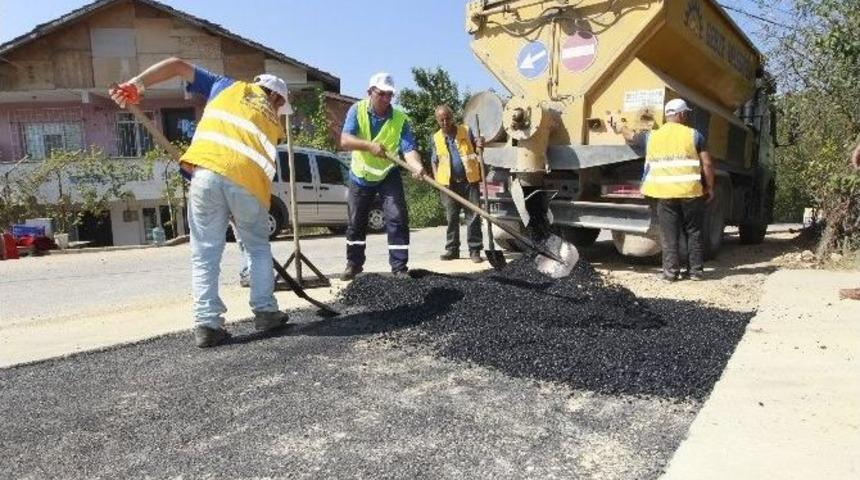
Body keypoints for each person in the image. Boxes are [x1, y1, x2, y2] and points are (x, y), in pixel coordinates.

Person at [109, 57, 291, 347]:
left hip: (205, 173)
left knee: (205, 253)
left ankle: (207, 324)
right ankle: (266, 311)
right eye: (281, 104)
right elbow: (247, 160)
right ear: (276, 97)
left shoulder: (226, 87)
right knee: (257, 249)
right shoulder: (273, 124)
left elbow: (177, 64)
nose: (279, 109)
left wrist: (136, 85)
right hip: (248, 187)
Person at [607, 98, 715, 281]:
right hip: (690, 193)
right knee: (693, 232)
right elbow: (707, 163)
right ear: (681, 115)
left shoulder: (652, 136)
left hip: (663, 193)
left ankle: (671, 273)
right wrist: (710, 187)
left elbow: (630, 137)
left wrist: (618, 125)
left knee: (669, 234)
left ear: (667, 115)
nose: (686, 116)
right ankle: (696, 272)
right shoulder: (694, 135)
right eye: (686, 113)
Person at [339, 72, 425, 281]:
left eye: (390, 95)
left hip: (388, 174)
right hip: (361, 175)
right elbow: (345, 140)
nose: (386, 99)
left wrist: (417, 166)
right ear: (370, 92)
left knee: (397, 217)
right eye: (382, 94)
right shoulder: (356, 110)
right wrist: (369, 146)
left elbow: (408, 149)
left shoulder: (400, 119)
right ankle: (354, 264)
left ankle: (399, 267)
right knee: (356, 221)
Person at [431, 105, 485, 263]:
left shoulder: (466, 131)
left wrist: (481, 143)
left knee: (473, 216)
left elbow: (478, 147)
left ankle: (475, 250)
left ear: (452, 117)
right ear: (438, 121)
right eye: (442, 120)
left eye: (448, 118)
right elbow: (434, 160)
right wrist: (436, 180)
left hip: (469, 181)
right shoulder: (435, 138)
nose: (445, 122)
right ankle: (452, 250)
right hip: (448, 184)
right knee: (451, 217)